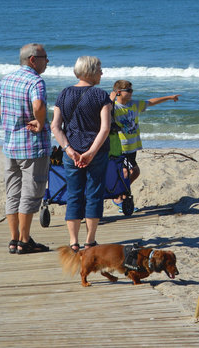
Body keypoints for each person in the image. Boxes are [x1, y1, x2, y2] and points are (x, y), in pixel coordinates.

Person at [0, 43, 52, 255]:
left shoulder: (8, 79)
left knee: (13, 193)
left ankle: (14, 239)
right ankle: (24, 240)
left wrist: (8, 115)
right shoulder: (35, 81)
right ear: (33, 59)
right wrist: (40, 122)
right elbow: (38, 105)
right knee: (30, 193)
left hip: (10, 145)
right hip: (32, 146)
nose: (47, 61)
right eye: (44, 57)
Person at [50, 56, 112, 252]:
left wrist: (68, 150)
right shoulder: (101, 95)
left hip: (72, 152)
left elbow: (55, 126)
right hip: (97, 152)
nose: (102, 73)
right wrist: (91, 152)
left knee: (74, 194)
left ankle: (73, 241)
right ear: (90, 72)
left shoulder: (64, 94)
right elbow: (105, 128)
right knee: (94, 194)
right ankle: (90, 241)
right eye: (99, 69)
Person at [108, 80, 180, 206]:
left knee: (129, 173)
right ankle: (119, 197)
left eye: (132, 90)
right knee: (131, 172)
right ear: (118, 92)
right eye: (129, 90)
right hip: (121, 146)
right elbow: (101, 112)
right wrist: (110, 100)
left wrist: (169, 97)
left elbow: (151, 102)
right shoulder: (112, 106)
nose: (132, 93)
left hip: (133, 145)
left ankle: (120, 195)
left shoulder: (134, 104)